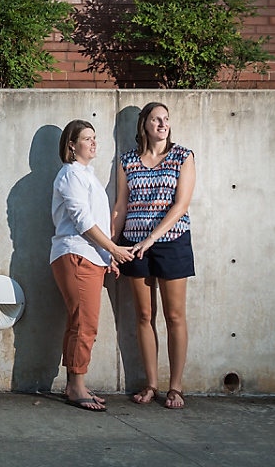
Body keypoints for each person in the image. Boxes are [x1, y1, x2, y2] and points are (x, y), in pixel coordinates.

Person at [114, 101, 196, 410]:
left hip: (171, 242)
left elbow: (181, 205)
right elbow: (121, 206)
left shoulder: (182, 157)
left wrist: (152, 238)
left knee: (174, 315)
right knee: (144, 316)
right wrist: (111, 246)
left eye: (166, 118)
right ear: (144, 125)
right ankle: (151, 383)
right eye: (156, 119)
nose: (162, 123)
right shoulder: (127, 161)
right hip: (134, 245)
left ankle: (175, 387)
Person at [50, 119, 134, 412]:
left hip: (91, 256)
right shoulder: (70, 174)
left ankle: (77, 382)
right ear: (71, 145)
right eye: (87, 138)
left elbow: (95, 221)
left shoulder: (87, 175)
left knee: (83, 322)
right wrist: (113, 249)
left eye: (95, 137)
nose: (94, 142)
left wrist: (108, 257)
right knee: (84, 323)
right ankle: (75, 386)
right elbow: (82, 221)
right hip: (76, 254)